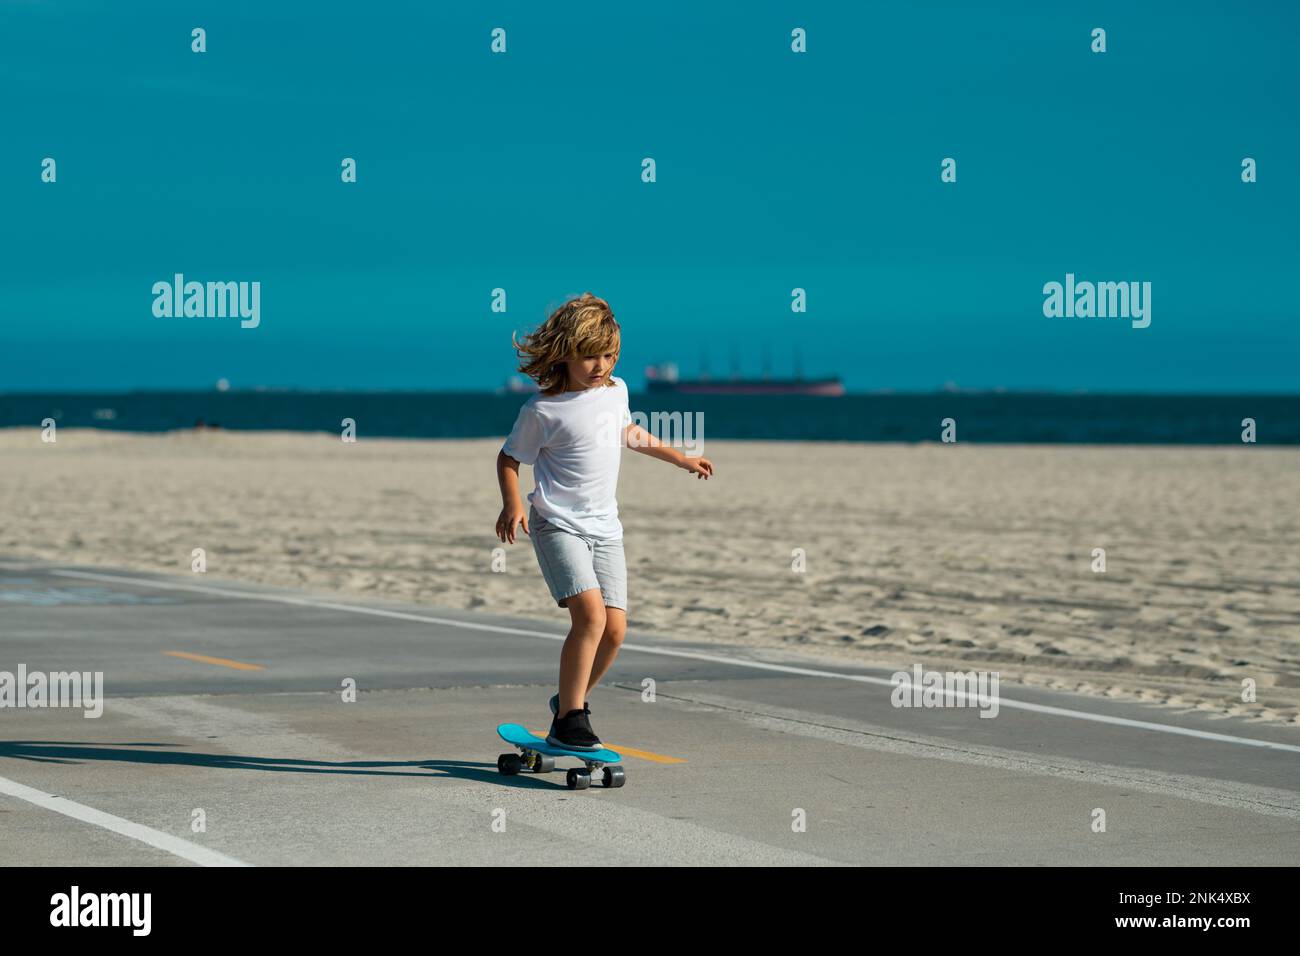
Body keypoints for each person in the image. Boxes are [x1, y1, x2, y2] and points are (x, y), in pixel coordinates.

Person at [495, 293, 714, 750]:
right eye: (590, 355)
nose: (601, 364)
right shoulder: (542, 410)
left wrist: (679, 458)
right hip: (557, 524)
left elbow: (628, 431)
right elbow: (509, 457)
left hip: (606, 528)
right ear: (566, 354)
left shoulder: (616, 390)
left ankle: (566, 707)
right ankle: (575, 717)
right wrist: (512, 504)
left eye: (609, 354)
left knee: (615, 630)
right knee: (589, 617)